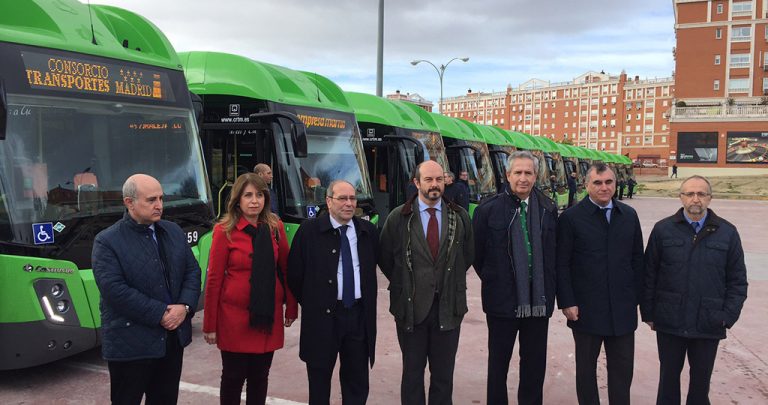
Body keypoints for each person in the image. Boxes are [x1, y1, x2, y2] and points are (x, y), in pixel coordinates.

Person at [92, 174, 201, 405]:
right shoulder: (107, 241)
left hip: (171, 342)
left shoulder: (172, 231)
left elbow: (192, 272)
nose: (159, 205)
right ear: (129, 202)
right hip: (130, 345)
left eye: (161, 198)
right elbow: (114, 290)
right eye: (151, 200)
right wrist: (160, 313)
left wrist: (185, 306)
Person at [642, 175, 747, 405]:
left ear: (710, 198)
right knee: (668, 382)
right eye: (690, 194)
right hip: (670, 321)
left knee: (700, 386)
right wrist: (649, 314)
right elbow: (649, 274)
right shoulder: (663, 230)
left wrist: (726, 316)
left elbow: (738, 281)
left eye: (701, 194)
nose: (695, 199)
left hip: (709, 322)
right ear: (681, 197)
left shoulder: (728, 233)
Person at [379, 160, 474, 405]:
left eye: (439, 179)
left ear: (445, 181)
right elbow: (386, 258)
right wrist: (408, 283)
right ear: (416, 183)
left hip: (448, 308)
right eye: (429, 180)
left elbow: (469, 255)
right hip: (410, 310)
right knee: (412, 375)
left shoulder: (459, 216)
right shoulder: (398, 218)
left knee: (443, 376)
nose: (434, 185)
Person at [203, 173, 297, 405]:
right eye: (248, 195)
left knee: (260, 377)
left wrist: (291, 308)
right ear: (237, 200)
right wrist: (210, 325)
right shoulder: (224, 230)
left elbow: (287, 270)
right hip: (234, 319)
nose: (254, 200)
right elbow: (214, 280)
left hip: (267, 316)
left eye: (259, 195)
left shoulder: (275, 227)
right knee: (233, 378)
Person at [473, 151, 558, 405]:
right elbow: (478, 257)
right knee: (498, 365)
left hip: (538, 302)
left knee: (534, 366)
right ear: (507, 175)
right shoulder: (488, 210)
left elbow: (553, 253)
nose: (523, 178)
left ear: (536, 176)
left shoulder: (547, 208)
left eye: (528, 173)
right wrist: (496, 280)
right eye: (517, 173)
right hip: (502, 303)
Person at [556, 163, 644, 405]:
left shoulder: (628, 216)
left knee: (623, 370)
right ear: (587, 185)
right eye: (597, 183)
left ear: (615, 184)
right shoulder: (571, 218)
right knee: (586, 370)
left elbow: (638, 259)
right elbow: (561, 264)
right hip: (585, 309)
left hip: (622, 308)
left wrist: (637, 298)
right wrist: (567, 301)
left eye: (608, 182)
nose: (604, 188)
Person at [288, 180, 379, 405]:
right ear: (329, 201)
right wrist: (315, 301)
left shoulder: (367, 231)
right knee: (319, 384)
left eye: (352, 199)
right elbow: (294, 274)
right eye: (342, 199)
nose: (349, 204)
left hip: (358, 316)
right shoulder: (309, 231)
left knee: (357, 383)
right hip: (322, 319)